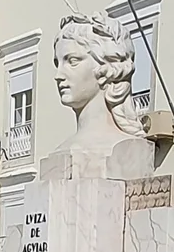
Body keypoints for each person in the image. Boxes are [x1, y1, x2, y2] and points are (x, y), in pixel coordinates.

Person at [52, 12, 144, 153]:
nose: (58, 75)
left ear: (106, 67)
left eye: (72, 61)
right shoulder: (65, 148)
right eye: (57, 63)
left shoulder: (124, 148)